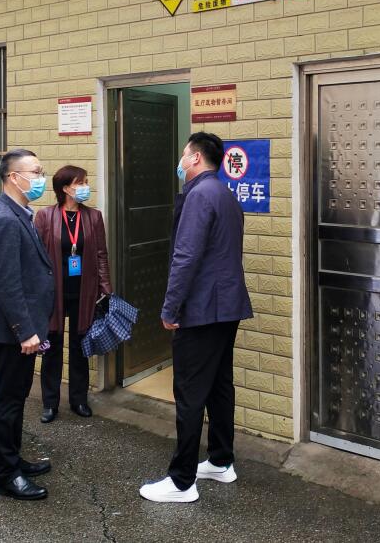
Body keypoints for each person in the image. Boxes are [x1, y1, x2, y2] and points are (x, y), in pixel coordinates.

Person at [140, 132, 253, 504]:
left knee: (189, 392)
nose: (181, 161)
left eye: (184, 154)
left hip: (203, 309)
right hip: (226, 306)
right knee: (219, 386)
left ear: (195, 158)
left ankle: (182, 481)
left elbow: (185, 257)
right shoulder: (224, 194)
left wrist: (170, 307)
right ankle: (220, 460)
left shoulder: (199, 195)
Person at [0, 149, 55, 500]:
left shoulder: (19, 212)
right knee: (7, 401)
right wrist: (25, 331)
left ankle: (14, 459)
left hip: (23, 328)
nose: (40, 178)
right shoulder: (5, 220)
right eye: (35, 172)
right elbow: (7, 284)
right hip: (14, 331)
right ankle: (6, 475)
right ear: (14, 177)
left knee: (17, 397)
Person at [34, 165, 113, 423]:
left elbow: (101, 254)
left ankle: (79, 399)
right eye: (81, 182)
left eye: (86, 181)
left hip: (84, 291)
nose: (86, 186)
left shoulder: (93, 217)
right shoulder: (45, 216)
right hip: (54, 291)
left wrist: (106, 288)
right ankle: (50, 403)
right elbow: (37, 257)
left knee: (81, 346)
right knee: (52, 347)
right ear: (66, 188)